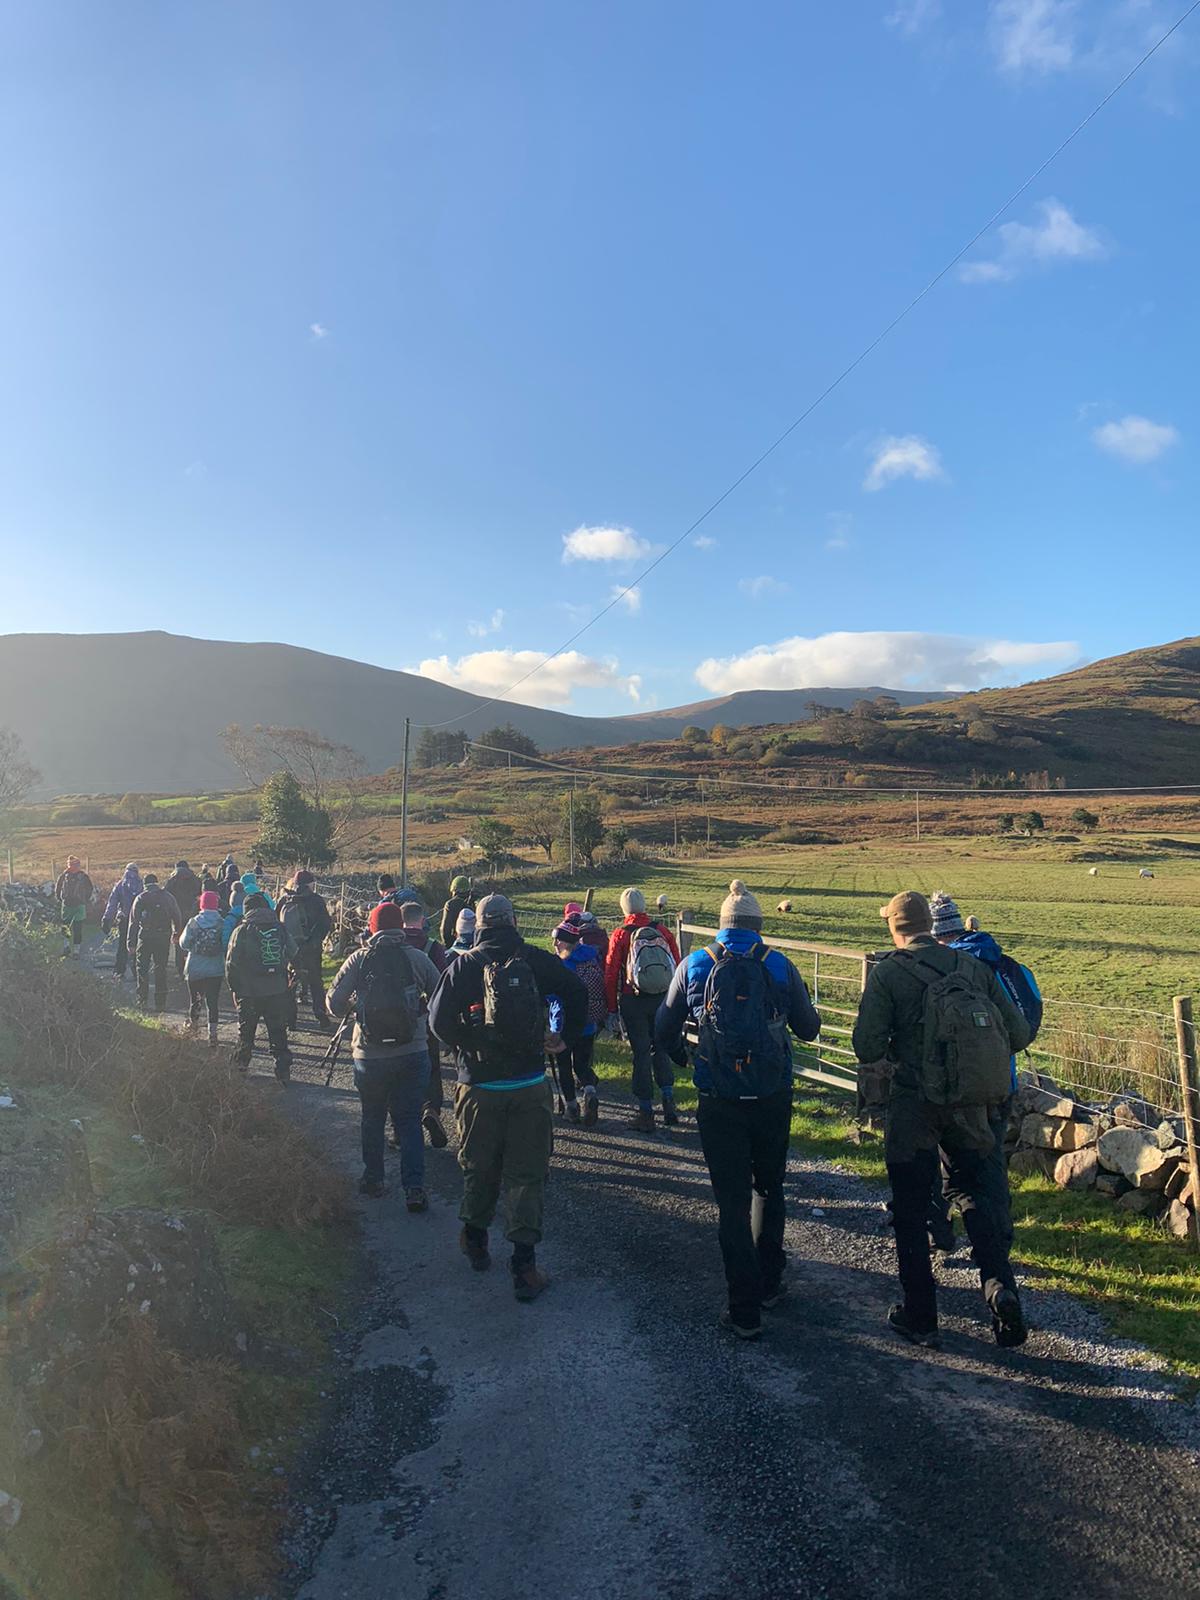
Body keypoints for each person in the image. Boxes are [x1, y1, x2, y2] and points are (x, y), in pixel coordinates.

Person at [852, 891, 1032, 1350]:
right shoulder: (972, 968)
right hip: (971, 1105)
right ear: (930, 924)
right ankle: (999, 1289)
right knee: (974, 1193)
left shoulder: (890, 971)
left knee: (911, 1210)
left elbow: (866, 1045)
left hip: (914, 1106)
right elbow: (1017, 1033)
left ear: (894, 927)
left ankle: (922, 1318)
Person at [656, 880, 820, 1339]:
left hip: (718, 1098)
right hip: (772, 1095)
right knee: (769, 1187)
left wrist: (680, 1057)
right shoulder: (780, 965)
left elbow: (663, 1026)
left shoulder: (694, 964)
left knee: (731, 1202)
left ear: (723, 925)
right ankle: (770, 1283)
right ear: (758, 926)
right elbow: (809, 1029)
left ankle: (744, 1310)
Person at [428, 893, 586, 1301]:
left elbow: (437, 1022)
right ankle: (524, 1268)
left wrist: (473, 1044)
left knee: (479, 1167)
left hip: (478, 1086)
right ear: (513, 920)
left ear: (479, 924)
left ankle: (476, 1242)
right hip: (529, 1084)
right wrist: (562, 1038)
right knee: (526, 1174)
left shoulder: (463, 965)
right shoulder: (534, 958)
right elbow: (577, 991)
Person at [931, 892, 1043, 1251]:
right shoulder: (1007, 965)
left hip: (952, 1085)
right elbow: (1024, 1023)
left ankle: (941, 1229)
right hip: (1000, 1082)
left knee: (942, 1156)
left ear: (936, 934)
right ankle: (999, 1240)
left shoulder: (946, 968)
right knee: (991, 1161)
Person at [328, 901, 443, 1207]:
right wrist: (421, 1011)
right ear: (402, 927)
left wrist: (354, 1009)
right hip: (413, 1051)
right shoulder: (417, 958)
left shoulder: (359, 959)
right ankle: (414, 1187)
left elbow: (333, 1002)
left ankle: (374, 1180)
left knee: (372, 1117)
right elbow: (441, 995)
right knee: (408, 1121)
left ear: (373, 927)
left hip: (370, 1054)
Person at [604, 886, 682, 1132]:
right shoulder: (663, 931)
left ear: (624, 908)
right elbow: (678, 966)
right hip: (662, 999)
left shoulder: (620, 934)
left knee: (640, 1053)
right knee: (661, 1048)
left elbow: (611, 972)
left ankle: (646, 1112)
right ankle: (669, 1101)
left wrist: (612, 1008)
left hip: (633, 1000)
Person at [225, 891, 297, 1084]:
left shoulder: (242, 930)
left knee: (246, 1033)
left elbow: (231, 964)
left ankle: (239, 1070)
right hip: (277, 990)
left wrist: (235, 989)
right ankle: (282, 1071)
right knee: (278, 1031)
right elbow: (293, 951)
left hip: (249, 992)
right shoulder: (280, 929)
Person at [395, 900, 451, 1148]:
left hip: (393, 1022)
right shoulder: (433, 948)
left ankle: (399, 1132)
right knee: (431, 1069)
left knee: (398, 1077)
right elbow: (442, 986)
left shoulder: (393, 946)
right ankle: (431, 1108)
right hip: (425, 1020)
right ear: (422, 920)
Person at [547, 919, 605, 1124]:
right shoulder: (591, 957)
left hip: (562, 1024)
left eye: (558, 941)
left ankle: (571, 1108)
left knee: (564, 1066)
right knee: (582, 1064)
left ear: (568, 942)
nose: (555, 945)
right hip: (588, 1023)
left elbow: (553, 995)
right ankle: (590, 1092)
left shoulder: (562, 964)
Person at [279, 870, 333, 1029]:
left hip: (290, 949)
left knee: (290, 983)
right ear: (310, 884)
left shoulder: (284, 899)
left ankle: (290, 1020)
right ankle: (320, 1014)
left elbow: (277, 922)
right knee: (315, 982)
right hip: (311, 949)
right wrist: (316, 942)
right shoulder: (316, 900)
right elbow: (325, 923)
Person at [127, 872, 183, 1012]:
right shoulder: (168, 897)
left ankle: (142, 1000)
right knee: (161, 968)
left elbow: (133, 922)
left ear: (145, 884)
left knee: (142, 968)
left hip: (145, 937)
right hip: (163, 936)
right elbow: (177, 916)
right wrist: (176, 933)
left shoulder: (141, 897)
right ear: (157, 883)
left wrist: (131, 942)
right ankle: (160, 1002)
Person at [179, 890, 228, 1046]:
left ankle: (193, 1029)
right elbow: (226, 945)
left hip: (195, 968)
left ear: (201, 904)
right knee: (213, 1002)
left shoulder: (193, 922)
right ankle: (212, 1035)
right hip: (215, 969)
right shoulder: (222, 923)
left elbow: (184, 943)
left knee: (195, 1000)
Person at [101, 863, 143, 982]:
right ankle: (138, 972)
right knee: (138, 945)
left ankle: (119, 971)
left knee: (122, 946)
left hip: (124, 919)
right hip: (139, 920)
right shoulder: (141, 884)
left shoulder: (120, 885)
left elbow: (112, 903)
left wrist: (107, 918)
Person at [164, 860, 203, 975]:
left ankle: (180, 968)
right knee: (192, 939)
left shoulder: (172, 880)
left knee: (178, 939)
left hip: (177, 914)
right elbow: (200, 894)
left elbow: (166, 895)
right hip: (192, 913)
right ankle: (191, 966)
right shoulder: (196, 879)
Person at [55, 855, 94, 956]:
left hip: (73, 905)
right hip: (73, 905)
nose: (73, 866)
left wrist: (61, 899)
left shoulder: (69, 876)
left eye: (74, 864)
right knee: (71, 928)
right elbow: (90, 889)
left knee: (72, 927)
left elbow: (90, 888)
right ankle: (71, 948)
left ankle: (71, 948)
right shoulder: (69, 876)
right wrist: (85, 899)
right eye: (72, 864)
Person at [439, 875, 474, 947]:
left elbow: (445, 929)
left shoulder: (450, 904)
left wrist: (449, 946)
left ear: (454, 891)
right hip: (472, 944)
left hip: (455, 944)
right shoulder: (472, 904)